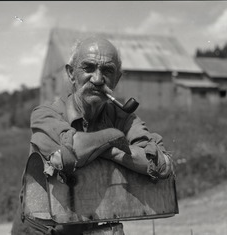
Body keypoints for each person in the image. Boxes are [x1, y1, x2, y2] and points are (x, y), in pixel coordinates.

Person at [11, 36, 174, 235]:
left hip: (91, 227)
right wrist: (112, 135)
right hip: (41, 230)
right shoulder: (45, 114)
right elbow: (70, 155)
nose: (97, 79)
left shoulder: (124, 118)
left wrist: (109, 150)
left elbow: (161, 163)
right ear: (71, 74)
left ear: (117, 79)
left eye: (107, 71)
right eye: (88, 68)